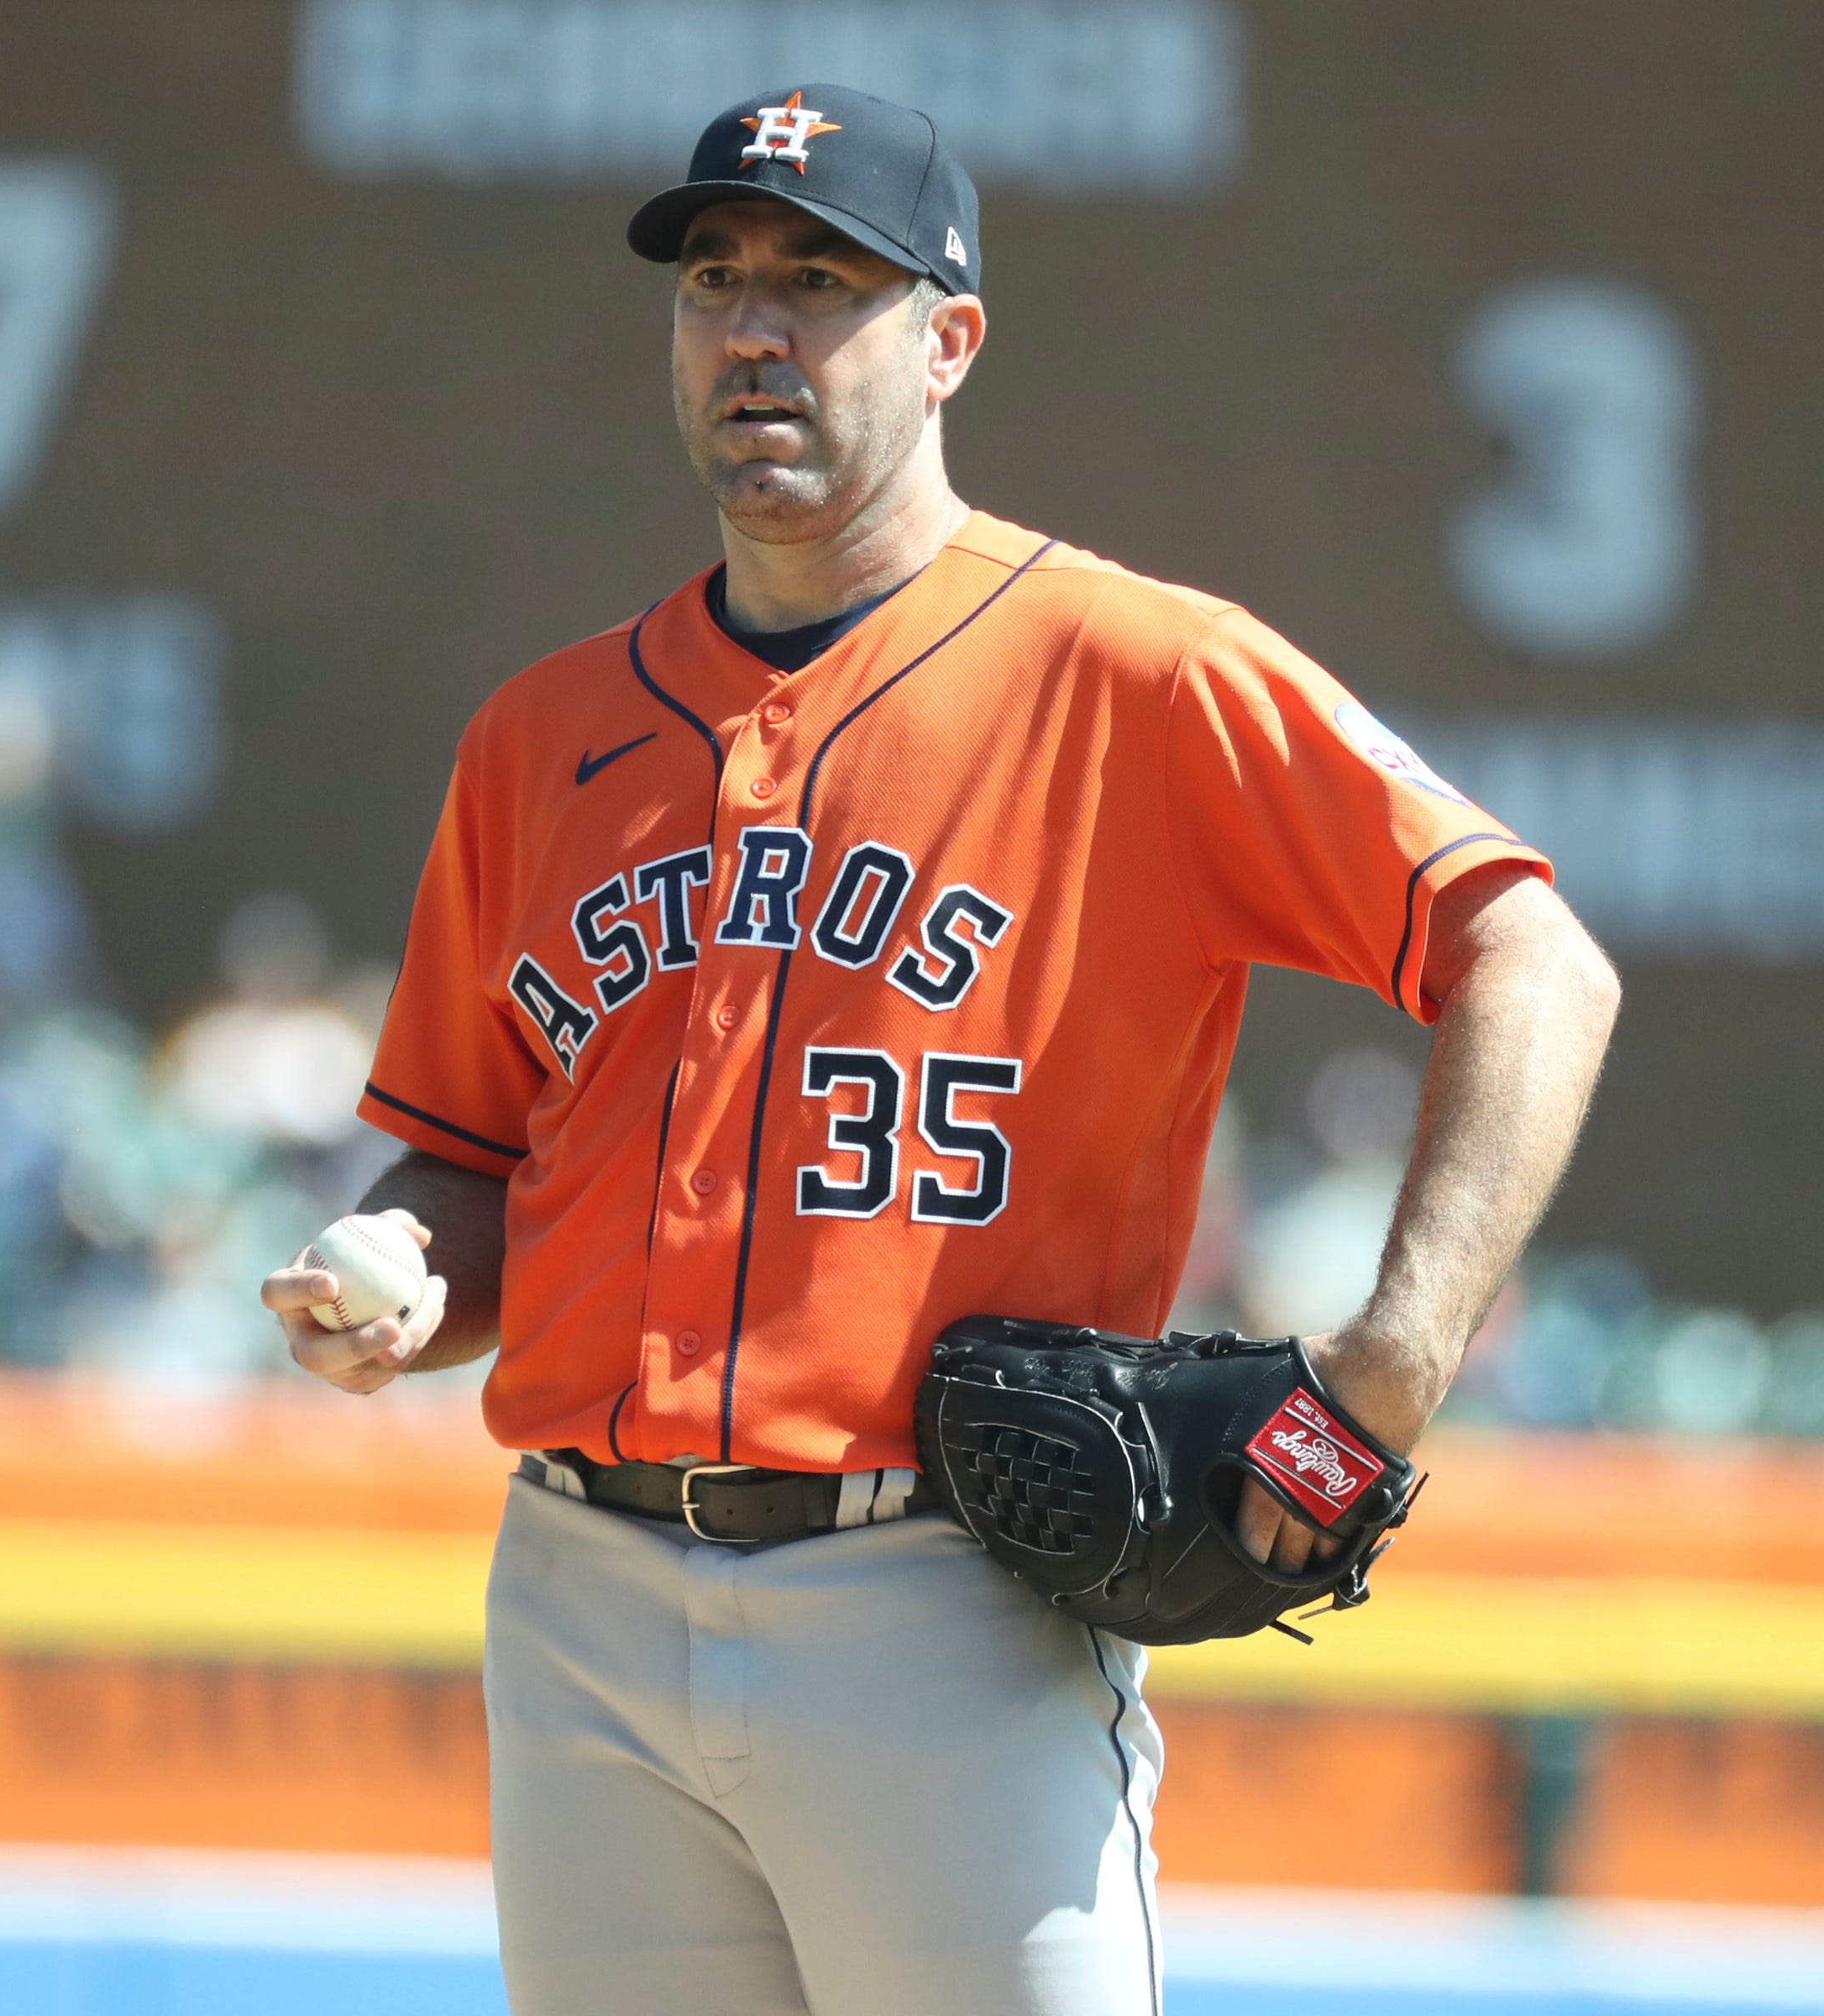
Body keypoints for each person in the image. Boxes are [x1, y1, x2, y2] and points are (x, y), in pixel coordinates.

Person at [261, 83, 1619, 2016]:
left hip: (947, 1596)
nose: (755, 330)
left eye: (824, 284)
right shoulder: (539, 736)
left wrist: (1390, 1363)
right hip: (576, 1597)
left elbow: (1534, 959)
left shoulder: (1136, 670)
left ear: (949, 340)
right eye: (716, 283)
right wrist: (401, 1263)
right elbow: (463, 1159)